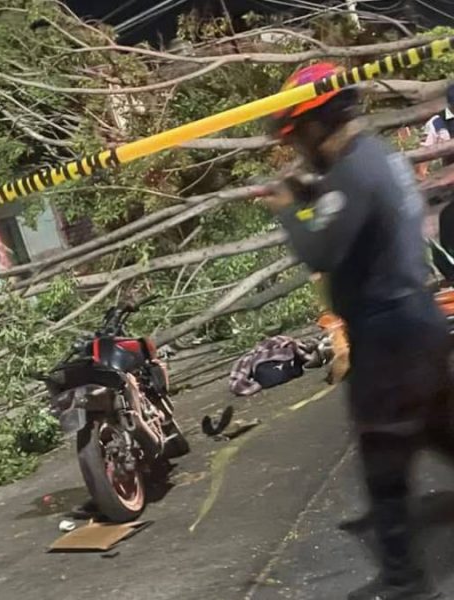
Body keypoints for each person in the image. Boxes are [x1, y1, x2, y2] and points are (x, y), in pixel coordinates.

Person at [264, 62, 454, 600]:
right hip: (418, 322)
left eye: (297, 133)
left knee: (384, 461)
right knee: (440, 427)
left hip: (388, 337)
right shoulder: (379, 160)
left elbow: (321, 251)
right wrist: (312, 198)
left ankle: (406, 583)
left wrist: (288, 212)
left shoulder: (350, 172)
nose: (297, 147)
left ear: (320, 122)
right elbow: (354, 223)